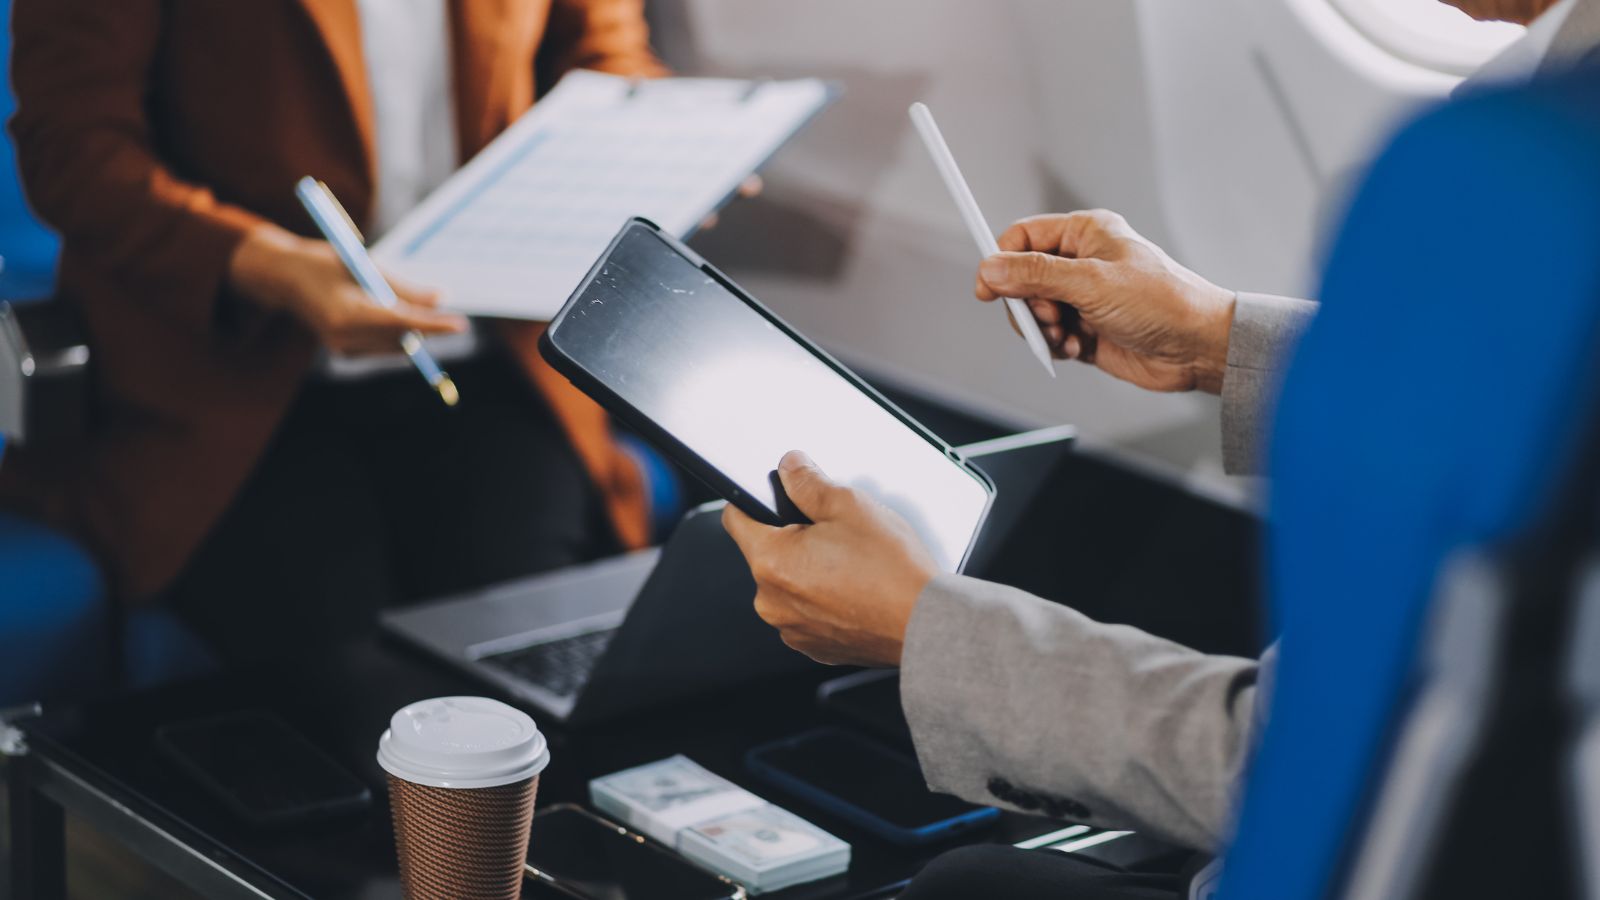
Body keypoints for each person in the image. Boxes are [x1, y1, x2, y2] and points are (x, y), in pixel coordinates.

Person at [722, 0, 1600, 896]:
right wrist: (1215, 338)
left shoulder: (1524, 170)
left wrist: (923, 633)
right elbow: (1527, 419)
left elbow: (1305, 777)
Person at [0, 2, 688, 661]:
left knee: (530, 664)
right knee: (352, 678)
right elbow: (73, 146)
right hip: (233, 386)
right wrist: (267, 265)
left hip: (487, 364)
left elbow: (603, 54)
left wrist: (666, 151)